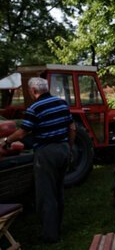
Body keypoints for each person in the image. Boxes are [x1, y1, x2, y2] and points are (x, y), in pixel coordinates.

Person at [0, 77, 75, 243]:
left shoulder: (35, 108)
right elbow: (72, 128)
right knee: (58, 191)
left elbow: (22, 133)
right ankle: (57, 227)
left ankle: (50, 236)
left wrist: (6, 142)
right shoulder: (62, 103)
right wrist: (68, 148)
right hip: (63, 149)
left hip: (46, 153)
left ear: (33, 91)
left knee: (46, 194)